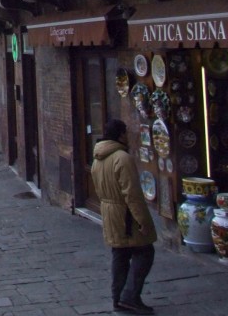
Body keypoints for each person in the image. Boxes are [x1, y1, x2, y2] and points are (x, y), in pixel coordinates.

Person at [91, 119, 157, 315]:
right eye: (125, 133)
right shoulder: (122, 158)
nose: (128, 136)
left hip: (109, 211)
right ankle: (130, 295)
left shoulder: (98, 158)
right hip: (125, 214)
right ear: (120, 135)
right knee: (145, 251)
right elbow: (132, 194)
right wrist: (142, 221)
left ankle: (117, 298)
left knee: (119, 254)